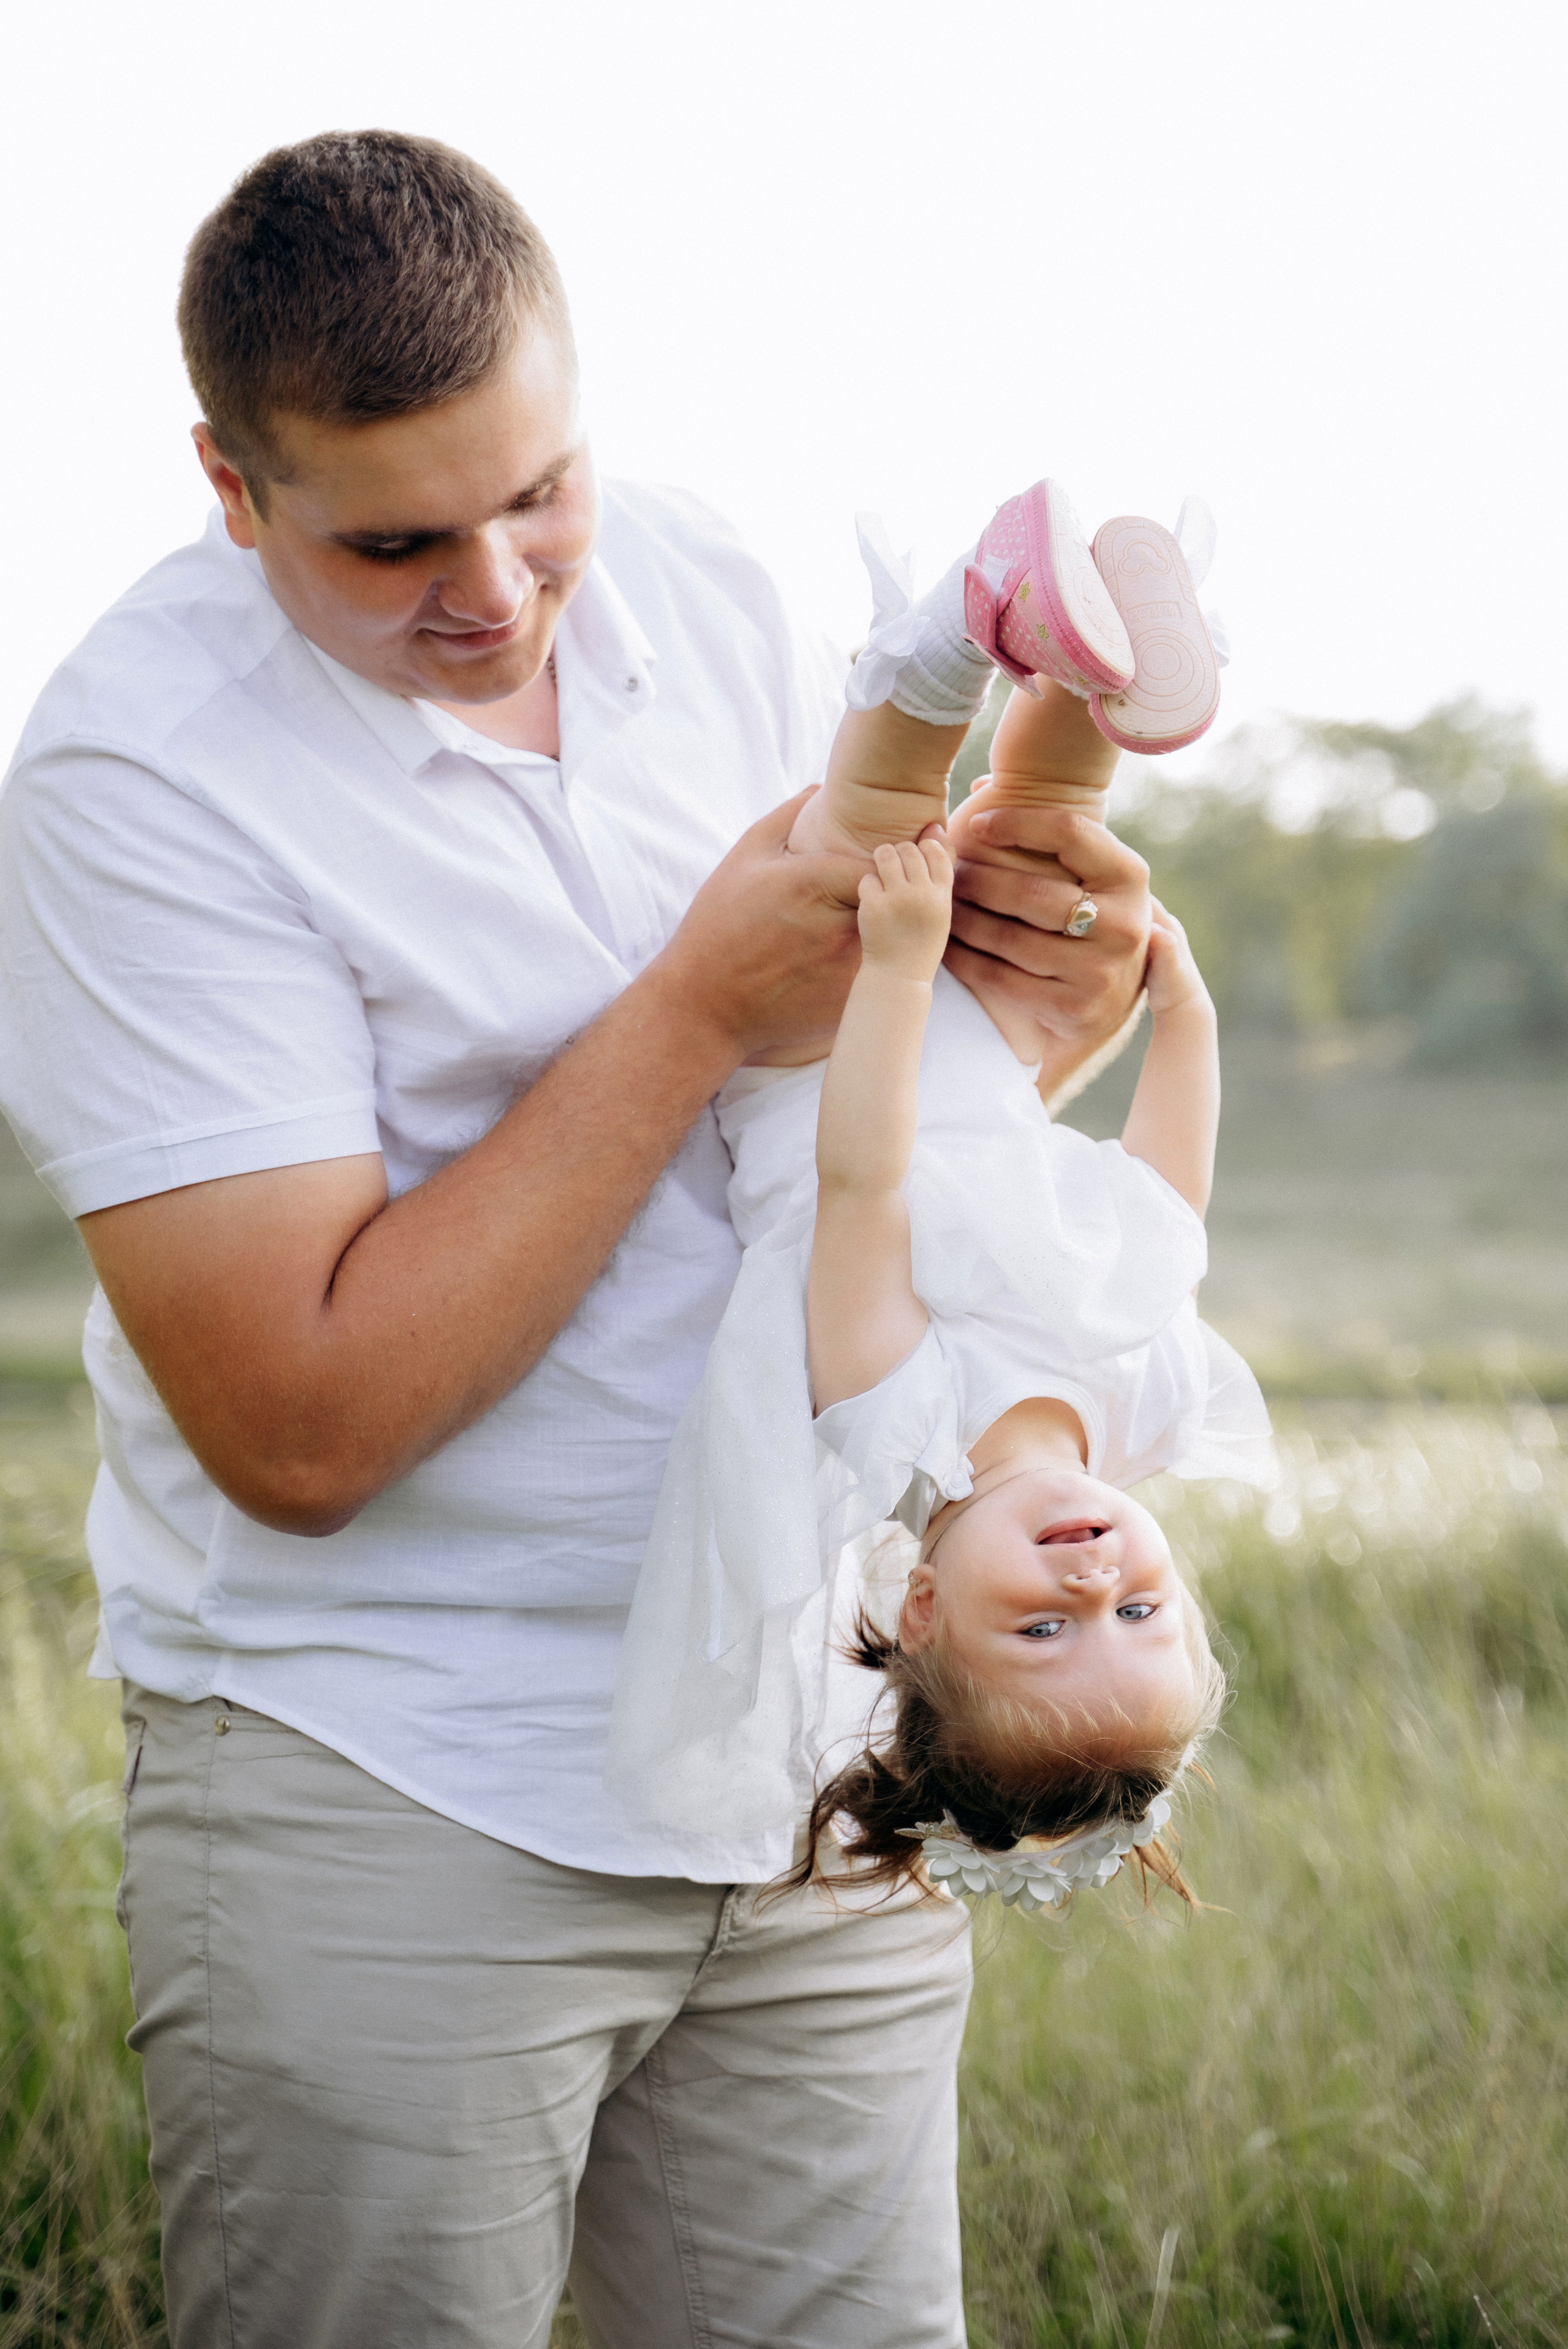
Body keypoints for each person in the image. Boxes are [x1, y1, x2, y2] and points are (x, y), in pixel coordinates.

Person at [0, 132, 1159, 2347]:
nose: (502, 593)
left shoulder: (718, 591)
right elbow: (302, 1425)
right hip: (399, 1784)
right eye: (396, 541)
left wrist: (1024, 1024)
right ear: (232, 491)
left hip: (816, 1755)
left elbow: (842, 1149)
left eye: (540, 495)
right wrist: (696, 1003)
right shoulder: (132, 781)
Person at [611, 493, 1270, 1888]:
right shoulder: (1146, 1409)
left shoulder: (891, 1427)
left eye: (1040, 1631)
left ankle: (944, 637)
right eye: (1141, 1609)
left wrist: (900, 970)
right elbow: (1163, 1208)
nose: (1093, 1584)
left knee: (863, 843)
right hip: (985, 1044)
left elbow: (857, 1182)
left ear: (918, 1607)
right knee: (1043, 825)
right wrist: (1188, 1018)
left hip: (818, 1058)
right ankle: (1091, 649)